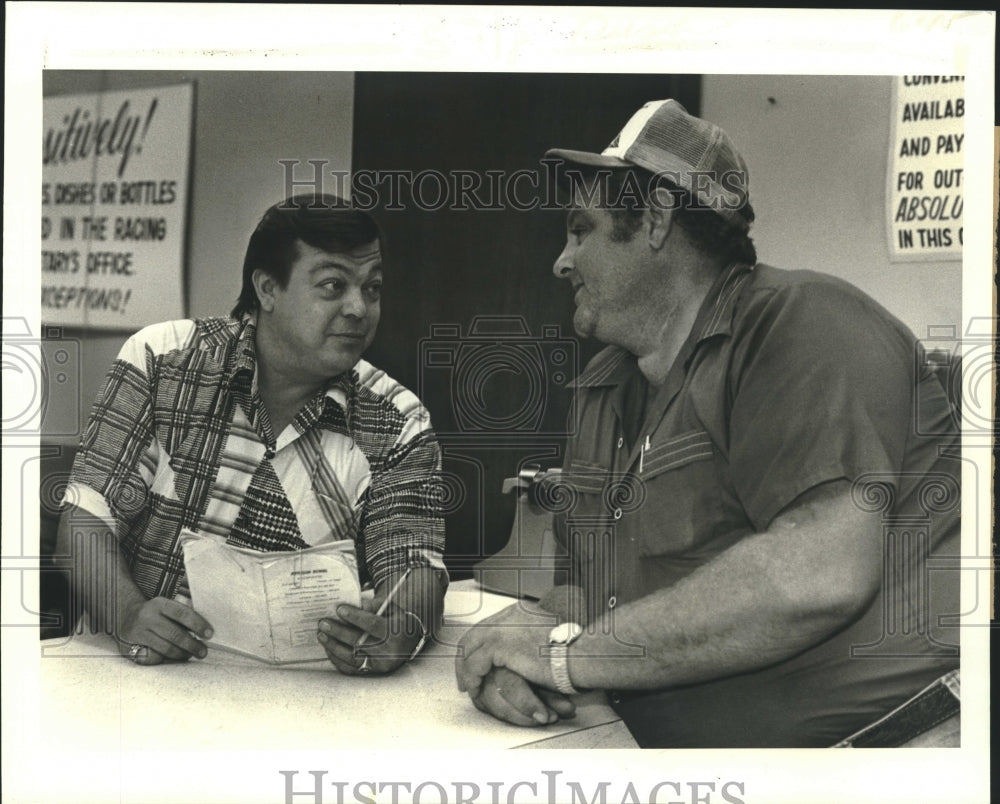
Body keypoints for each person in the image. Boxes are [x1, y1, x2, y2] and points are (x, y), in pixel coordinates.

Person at [455, 100, 961, 747]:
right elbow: (595, 601)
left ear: (658, 219)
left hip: (888, 752)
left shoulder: (802, 323)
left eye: (580, 230)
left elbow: (819, 574)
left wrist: (566, 660)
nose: (560, 260)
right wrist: (523, 651)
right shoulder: (603, 385)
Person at [58, 193, 447, 674]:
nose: (358, 308)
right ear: (267, 289)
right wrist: (128, 614)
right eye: (332, 286)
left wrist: (399, 630)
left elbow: (416, 565)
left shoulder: (398, 420)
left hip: (296, 698)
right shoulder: (164, 359)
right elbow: (84, 520)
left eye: (372, 288)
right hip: (135, 674)